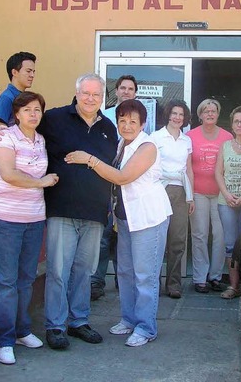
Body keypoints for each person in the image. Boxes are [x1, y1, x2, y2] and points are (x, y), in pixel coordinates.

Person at [0, 73, 118, 349]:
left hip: (95, 212)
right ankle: (56, 325)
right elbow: (25, 120)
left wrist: (108, 206)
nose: (90, 98)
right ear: (77, 92)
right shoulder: (55, 118)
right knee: (59, 270)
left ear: (102, 97)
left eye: (96, 95)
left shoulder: (109, 127)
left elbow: (111, 169)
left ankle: (79, 321)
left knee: (84, 271)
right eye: (86, 93)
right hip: (60, 208)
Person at [66, 99, 172, 347]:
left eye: (132, 121)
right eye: (122, 120)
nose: (126, 125)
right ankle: (129, 319)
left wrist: (88, 159)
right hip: (125, 218)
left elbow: (123, 177)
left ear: (143, 123)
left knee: (145, 275)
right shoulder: (121, 144)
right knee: (124, 272)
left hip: (148, 217)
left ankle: (146, 327)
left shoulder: (147, 146)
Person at [0, 91, 59, 365]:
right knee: (5, 281)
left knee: (26, 278)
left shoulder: (39, 140)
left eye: (37, 109)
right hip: (5, 219)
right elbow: (9, 174)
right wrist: (42, 182)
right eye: (27, 109)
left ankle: (21, 330)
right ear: (16, 114)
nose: (33, 114)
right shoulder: (6, 137)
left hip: (33, 218)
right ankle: (4, 340)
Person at [91, 75, 138, 301]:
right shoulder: (105, 117)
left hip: (127, 186)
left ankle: (122, 280)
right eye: (123, 88)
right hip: (103, 185)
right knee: (103, 236)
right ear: (116, 91)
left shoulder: (138, 118)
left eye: (130, 89)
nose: (126, 92)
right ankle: (97, 282)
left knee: (123, 236)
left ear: (135, 93)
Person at [188, 99, 234, 293]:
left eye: (213, 110)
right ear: (200, 115)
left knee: (221, 236)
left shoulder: (227, 136)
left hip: (221, 194)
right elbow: (187, 166)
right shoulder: (190, 136)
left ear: (218, 114)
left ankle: (215, 276)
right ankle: (200, 278)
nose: (209, 114)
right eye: (206, 111)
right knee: (199, 235)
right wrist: (189, 193)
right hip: (198, 191)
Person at [151, 100, 195, 299]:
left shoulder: (187, 141)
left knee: (177, 240)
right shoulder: (156, 137)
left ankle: (174, 284)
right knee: (158, 239)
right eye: (174, 113)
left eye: (181, 114)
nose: (177, 117)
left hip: (180, 192)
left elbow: (189, 169)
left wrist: (191, 196)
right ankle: (153, 283)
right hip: (160, 190)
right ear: (168, 115)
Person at [215, 106, 241, 299]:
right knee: (230, 244)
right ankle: (233, 286)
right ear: (231, 125)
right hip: (226, 201)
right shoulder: (225, 146)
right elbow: (218, 173)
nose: (239, 124)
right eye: (236, 121)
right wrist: (226, 194)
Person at [0, 52, 37, 127]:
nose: (32, 75)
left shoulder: (25, 98)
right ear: (14, 72)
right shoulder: (6, 98)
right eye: (28, 71)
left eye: (33, 72)